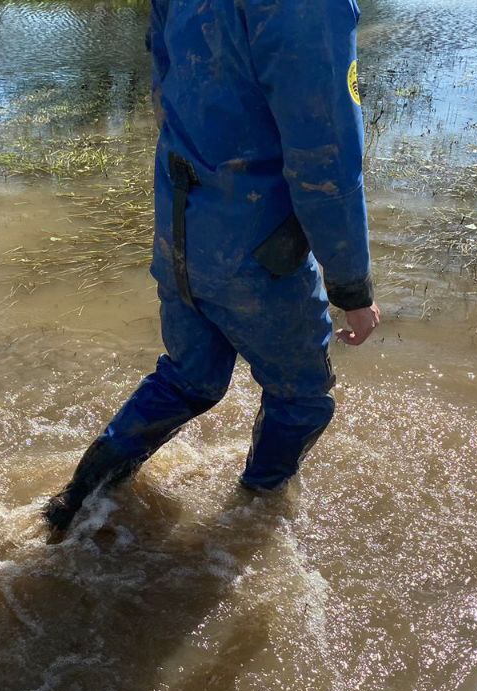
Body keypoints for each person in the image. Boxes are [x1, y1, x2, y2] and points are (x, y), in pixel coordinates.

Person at [44, 0, 381, 535]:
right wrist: (352, 287)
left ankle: (74, 503)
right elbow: (326, 157)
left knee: (188, 378)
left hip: (180, 225)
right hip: (255, 248)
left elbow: (165, 91)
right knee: (301, 398)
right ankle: (254, 515)